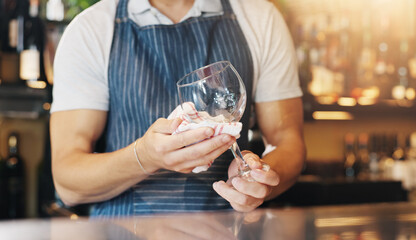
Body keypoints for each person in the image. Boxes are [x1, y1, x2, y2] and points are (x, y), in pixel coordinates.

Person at [50, 0, 306, 217]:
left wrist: (259, 179)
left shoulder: (260, 18)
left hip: (229, 230)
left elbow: (288, 142)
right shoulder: (90, 30)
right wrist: (145, 157)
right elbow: (67, 182)